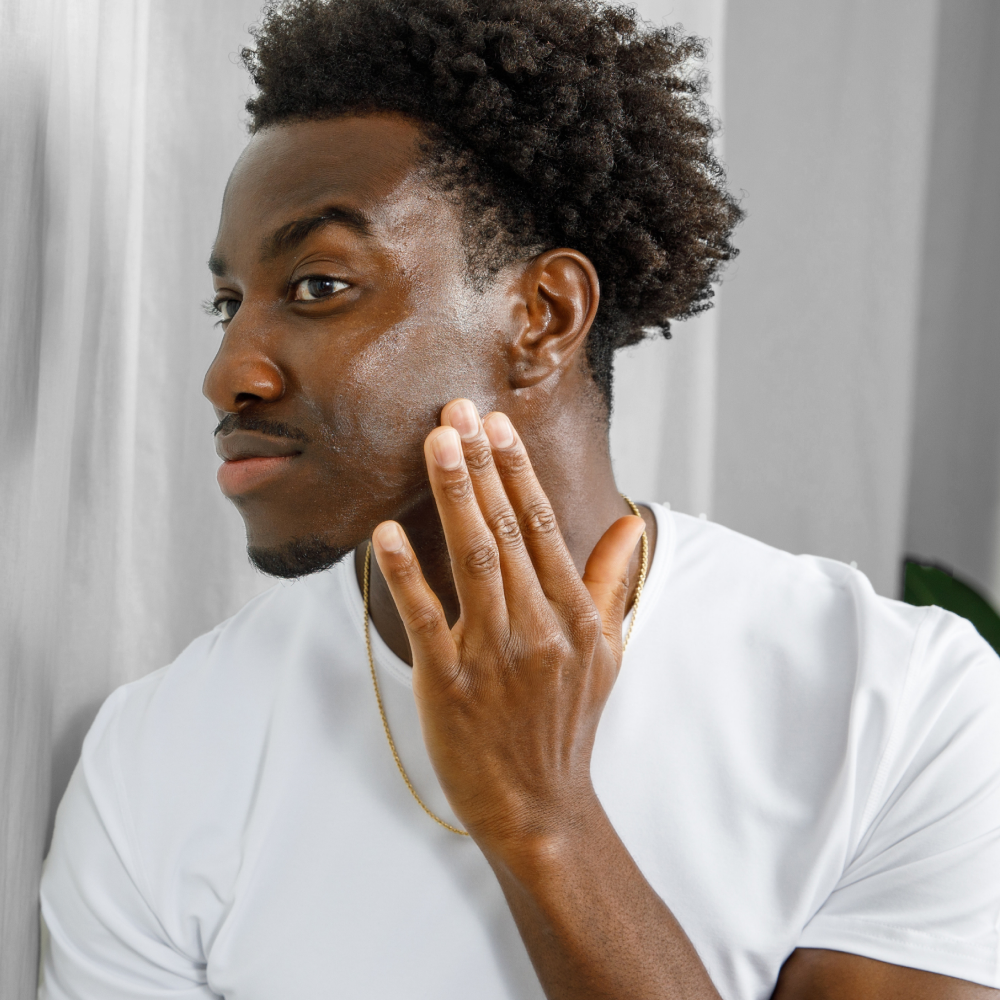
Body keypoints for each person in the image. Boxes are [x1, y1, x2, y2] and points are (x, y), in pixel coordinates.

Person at [38, 1, 1000, 998]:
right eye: (227, 302)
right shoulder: (156, 755)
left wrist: (543, 819)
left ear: (542, 316)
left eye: (318, 285)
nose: (227, 372)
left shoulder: (898, 704)